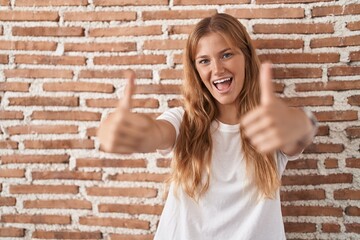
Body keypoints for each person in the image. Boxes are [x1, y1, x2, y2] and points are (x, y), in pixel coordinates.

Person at [97, 13, 318, 240]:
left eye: (227, 55)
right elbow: (155, 132)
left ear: (247, 57)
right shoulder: (183, 121)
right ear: (196, 70)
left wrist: (300, 124)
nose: (217, 69)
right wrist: (128, 132)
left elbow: (300, 131)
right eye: (204, 61)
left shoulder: (269, 125)